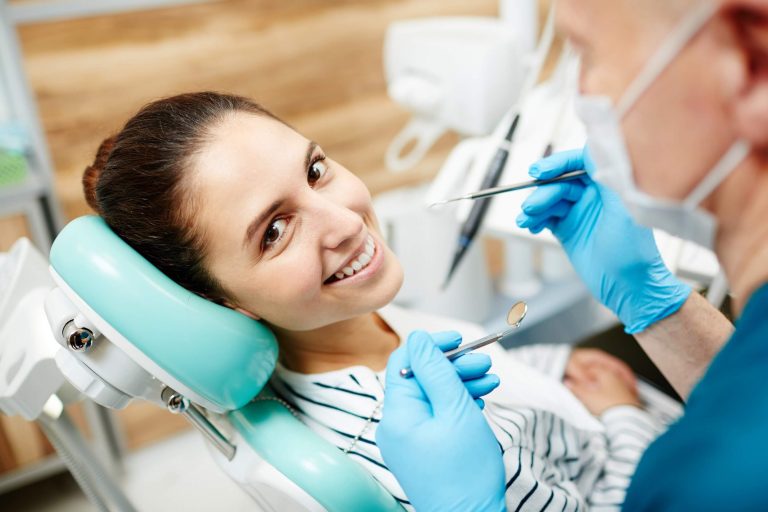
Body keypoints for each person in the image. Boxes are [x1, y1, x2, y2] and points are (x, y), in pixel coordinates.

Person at [81, 92, 676, 510]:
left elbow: (495, 373)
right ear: (220, 301)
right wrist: (620, 415)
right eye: (274, 232)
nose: (344, 221)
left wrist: (553, 366)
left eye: (315, 171)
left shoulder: (343, 320)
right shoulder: (397, 442)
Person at [376, 0, 768, 510]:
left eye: (584, 51)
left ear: (754, 63)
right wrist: (653, 303)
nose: (579, 94)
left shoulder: (704, 484)